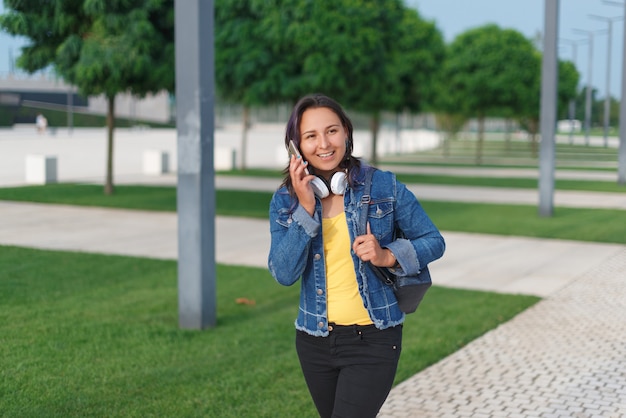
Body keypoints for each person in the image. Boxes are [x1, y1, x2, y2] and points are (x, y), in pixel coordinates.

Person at [268, 94, 445, 417]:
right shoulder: (285, 201)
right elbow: (283, 273)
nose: (324, 143)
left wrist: (389, 255)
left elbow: (433, 240)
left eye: (332, 130)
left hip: (374, 337)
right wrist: (307, 209)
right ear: (296, 147)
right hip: (314, 340)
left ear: (347, 133)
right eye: (310, 136)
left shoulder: (383, 187)